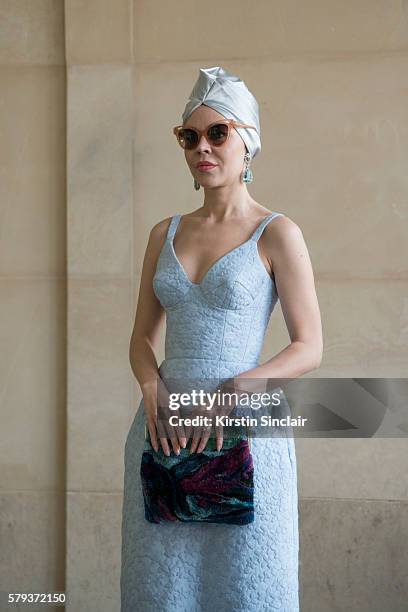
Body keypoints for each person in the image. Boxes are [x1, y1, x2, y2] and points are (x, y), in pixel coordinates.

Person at [121, 66, 323, 611]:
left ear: (247, 142)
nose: (201, 147)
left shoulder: (277, 232)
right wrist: (149, 386)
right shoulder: (164, 233)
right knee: (162, 588)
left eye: (217, 133)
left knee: (247, 587)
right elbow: (141, 336)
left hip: (246, 425)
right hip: (164, 428)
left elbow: (310, 345)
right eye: (190, 136)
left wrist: (239, 386)